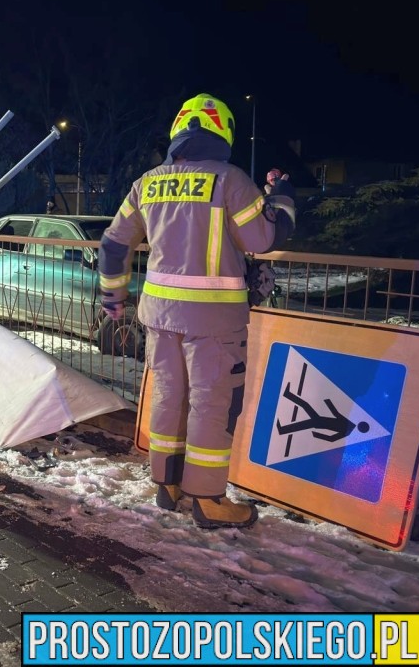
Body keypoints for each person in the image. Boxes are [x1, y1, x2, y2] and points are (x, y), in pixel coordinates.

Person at [98, 93, 295, 529]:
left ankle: (166, 485)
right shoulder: (230, 179)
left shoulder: (147, 182)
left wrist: (113, 297)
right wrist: (281, 199)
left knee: (169, 399)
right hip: (214, 322)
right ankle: (208, 500)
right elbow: (262, 240)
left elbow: (113, 244)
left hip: (160, 317)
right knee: (212, 406)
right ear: (222, 132)